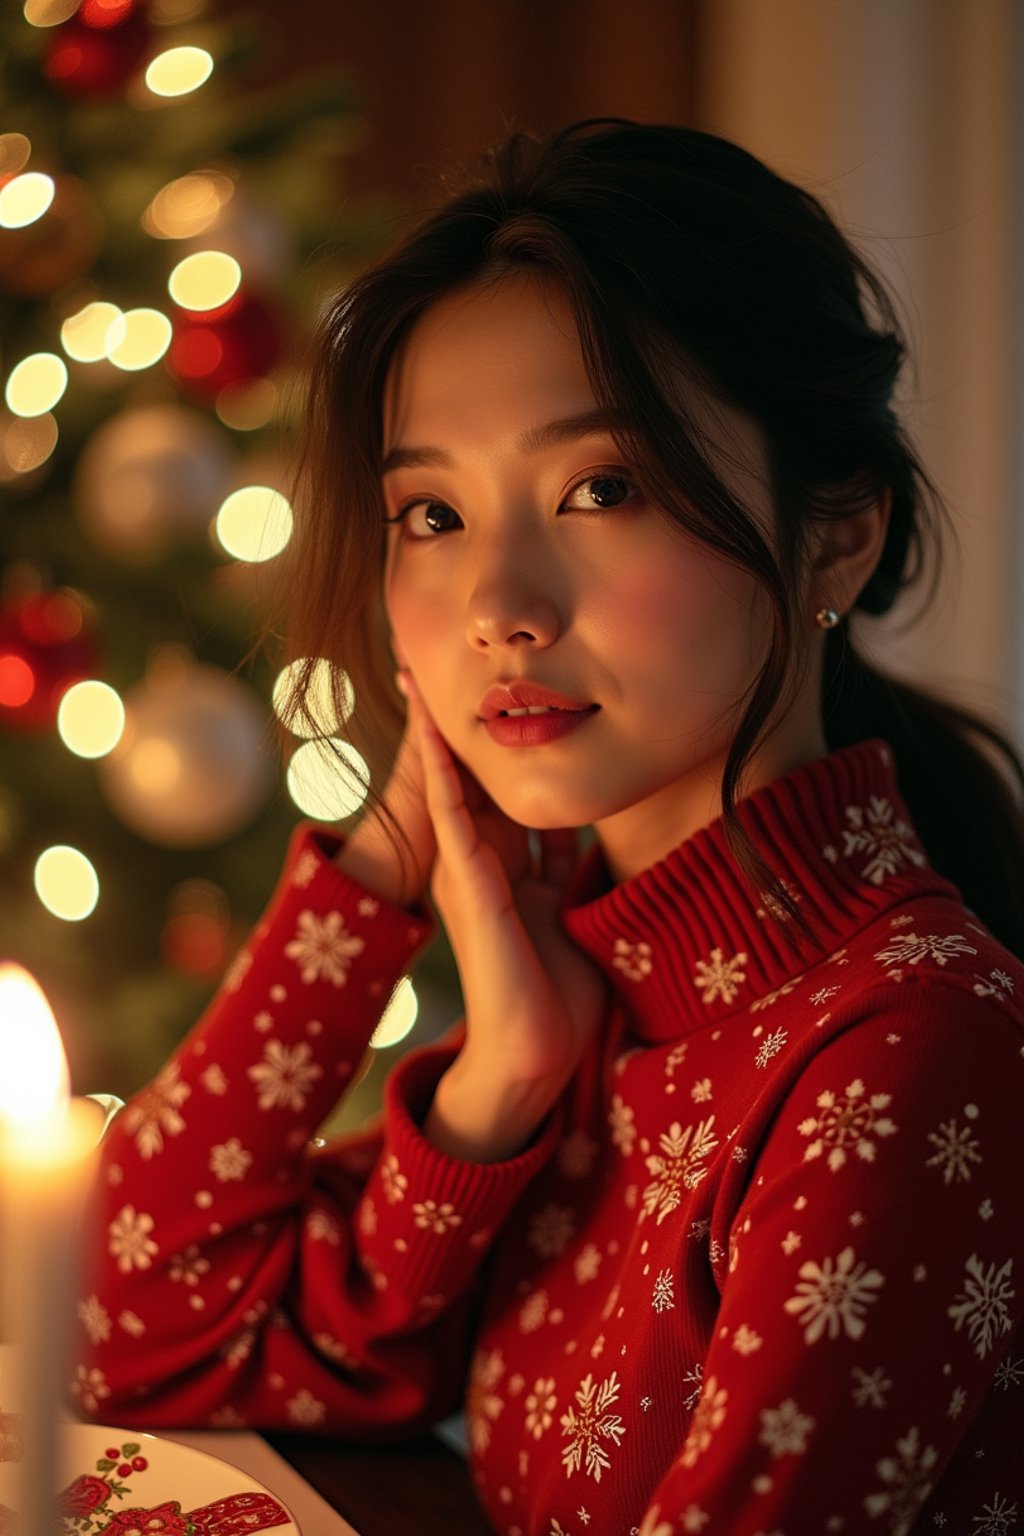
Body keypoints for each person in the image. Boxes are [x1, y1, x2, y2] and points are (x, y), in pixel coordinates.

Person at [75, 121, 1024, 1535]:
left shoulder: (912, 1046)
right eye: (432, 512)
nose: (496, 605)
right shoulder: (594, 1000)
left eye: (600, 488)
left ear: (839, 530)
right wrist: (473, 1047)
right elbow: (130, 1323)